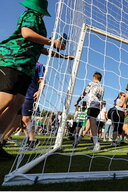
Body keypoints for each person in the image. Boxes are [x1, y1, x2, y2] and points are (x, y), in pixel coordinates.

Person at [0, 0, 73, 158]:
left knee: (16, 104)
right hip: (13, 61)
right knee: (6, 99)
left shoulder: (38, 21)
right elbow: (26, 33)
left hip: (26, 67)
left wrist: (64, 56)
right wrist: (52, 42)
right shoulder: (31, 15)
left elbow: (43, 50)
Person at [74, 72, 104, 151]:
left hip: (92, 105)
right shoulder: (102, 86)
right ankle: (78, 141)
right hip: (98, 107)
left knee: (92, 123)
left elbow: (84, 93)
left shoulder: (91, 84)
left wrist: (77, 101)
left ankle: (96, 143)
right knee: (88, 125)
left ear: (94, 77)